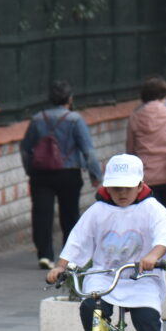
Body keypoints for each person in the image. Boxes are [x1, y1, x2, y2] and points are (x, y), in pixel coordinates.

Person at [45, 154, 166, 331]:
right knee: (90, 308)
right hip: (105, 275)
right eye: (116, 188)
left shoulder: (151, 209)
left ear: (140, 185)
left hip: (141, 277)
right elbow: (77, 240)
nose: (122, 193)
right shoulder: (97, 211)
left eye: (128, 188)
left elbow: (164, 235)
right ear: (107, 187)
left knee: (146, 316)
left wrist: (152, 255)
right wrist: (61, 267)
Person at [20, 80, 103, 270]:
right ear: (70, 99)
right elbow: (88, 150)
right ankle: (69, 255)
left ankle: (45, 255)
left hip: (41, 174)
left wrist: (30, 170)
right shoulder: (75, 120)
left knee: (41, 213)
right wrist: (95, 175)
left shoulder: (37, 119)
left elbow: (25, 149)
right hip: (69, 173)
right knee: (70, 213)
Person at [126, 76, 166, 219]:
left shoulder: (135, 117)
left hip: (145, 176)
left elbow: (130, 149)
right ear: (163, 95)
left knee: (147, 218)